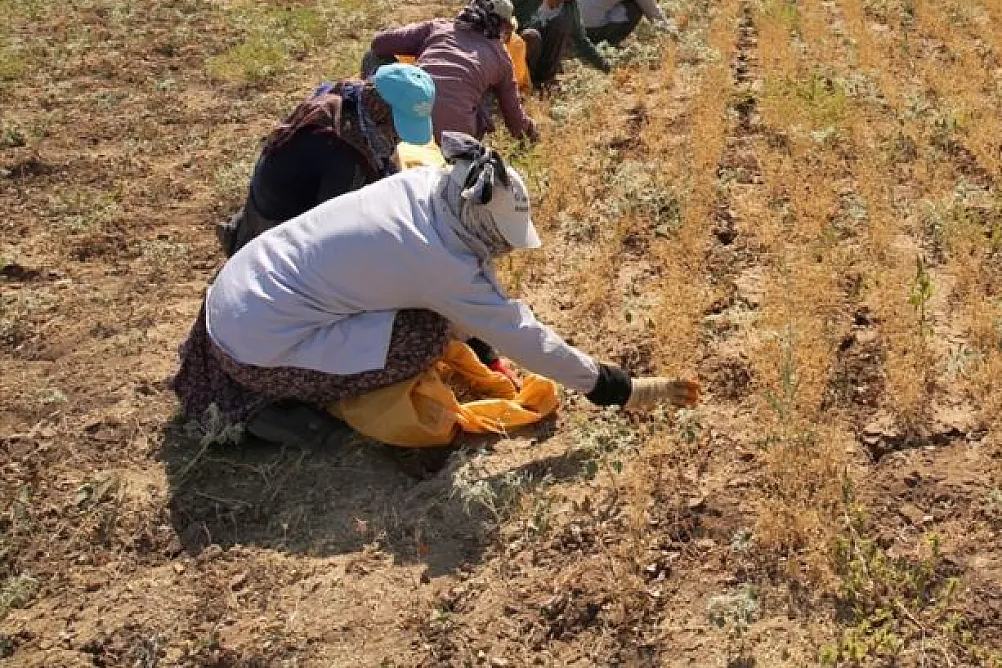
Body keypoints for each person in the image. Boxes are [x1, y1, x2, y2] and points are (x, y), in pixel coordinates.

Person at [173, 133, 700, 448]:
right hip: (257, 342)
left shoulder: (423, 188)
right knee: (424, 337)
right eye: (500, 240)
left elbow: (482, 303)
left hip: (238, 288)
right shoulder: (438, 261)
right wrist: (618, 388)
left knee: (441, 322)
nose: (501, 252)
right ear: (481, 226)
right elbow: (519, 331)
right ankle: (272, 407)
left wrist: (484, 346)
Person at [216, 64, 437, 257]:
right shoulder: (344, 153)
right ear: (382, 111)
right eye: (397, 127)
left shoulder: (347, 95)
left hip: (269, 195)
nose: (397, 138)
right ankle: (249, 246)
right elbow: (333, 231)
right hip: (277, 221)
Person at [364, 0, 539, 143]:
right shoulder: (502, 58)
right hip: (456, 142)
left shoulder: (439, 27)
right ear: (503, 26)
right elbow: (515, 120)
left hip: (403, 124)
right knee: (488, 89)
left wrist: (421, 46)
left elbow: (379, 44)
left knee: (373, 57)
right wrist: (532, 133)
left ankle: (369, 116)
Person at [505, 0, 611, 88]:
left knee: (562, 24)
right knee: (532, 36)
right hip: (513, 52)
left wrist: (605, 66)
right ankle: (519, 83)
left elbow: (581, 40)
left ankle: (543, 80)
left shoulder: (569, 6)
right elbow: (499, 3)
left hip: (539, 56)